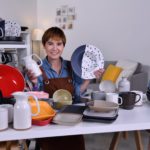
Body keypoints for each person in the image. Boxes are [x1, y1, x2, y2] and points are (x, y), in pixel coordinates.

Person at [26, 26, 104, 150]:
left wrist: (89, 77)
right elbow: (34, 100)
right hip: (49, 120)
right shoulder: (36, 68)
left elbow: (78, 93)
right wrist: (34, 82)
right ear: (44, 45)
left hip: (71, 118)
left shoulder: (72, 65)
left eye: (59, 44)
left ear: (63, 46)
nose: (55, 48)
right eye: (50, 43)